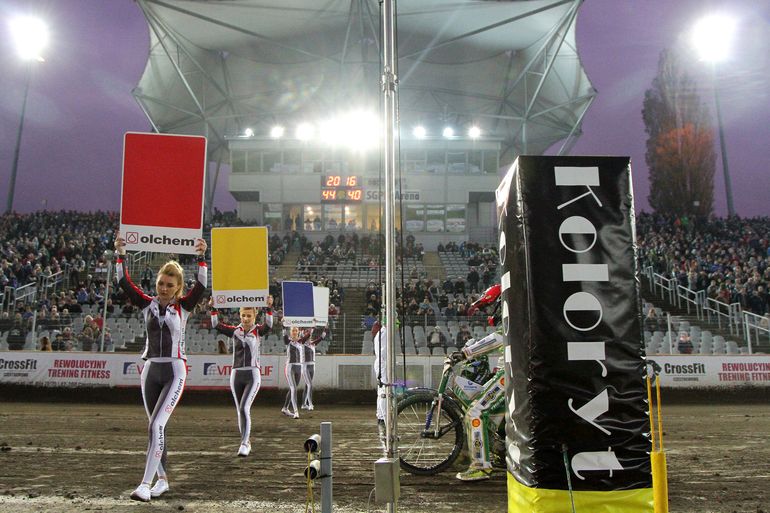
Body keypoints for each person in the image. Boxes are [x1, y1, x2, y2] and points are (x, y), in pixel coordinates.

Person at [114, 234, 208, 502]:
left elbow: (201, 285)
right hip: (150, 371)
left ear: (178, 287)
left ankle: (145, 484)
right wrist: (120, 253)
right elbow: (124, 282)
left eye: (169, 285)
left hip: (175, 371)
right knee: (157, 428)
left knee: (155, 426)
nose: (163, 288)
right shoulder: (148, 305)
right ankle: (163, 480)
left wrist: (202, 257)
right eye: (160, 283)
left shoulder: (184, 307)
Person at [449, 283, 505, 481]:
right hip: (506, 374)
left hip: (509, 377)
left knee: (476, 412)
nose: (487, 312)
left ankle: (481, 465)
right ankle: (498, 452)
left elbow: (498, 339)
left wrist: (465, 353)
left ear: (500, 303)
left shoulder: (509, 320)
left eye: (489, 307)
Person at [211, 296, 274, 457]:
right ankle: (245, 440)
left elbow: (269, 325)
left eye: (249, 316)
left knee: (244, 407)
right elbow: (215, 325)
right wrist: (212, 308)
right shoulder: (235, 331)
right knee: (240, 410)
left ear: (254, 316)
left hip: (252, 373)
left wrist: (269, 308)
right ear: (240, 315)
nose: (246, 319)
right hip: (236, 373)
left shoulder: (258, 331)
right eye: (243, 316)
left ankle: (245, 443)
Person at [282, 325, 311, 419]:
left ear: (298, 332)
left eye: (296, 330)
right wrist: (283, 324)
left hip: (299, 367)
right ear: (291, 332)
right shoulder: (288, 341)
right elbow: (284, 334)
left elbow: (308, 335)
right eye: (293, 330)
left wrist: (312, 324)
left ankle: (285, 408)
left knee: (292, 389)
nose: (294, 332)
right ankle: (296, 412)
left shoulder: (300, 341)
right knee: (294, 389)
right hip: (290, 367)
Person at [301, 326, 327, 411]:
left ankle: (304, 404)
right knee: (310, 385)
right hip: (305, 366)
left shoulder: (312, 344)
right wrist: (312, 327)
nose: (308, 334)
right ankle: (310, 404)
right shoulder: (302, 342)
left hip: (312, 366)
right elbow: (307, 336)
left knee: (307, 385)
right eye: (306, 332)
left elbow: (322, 337)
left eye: (308, 332)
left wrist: (325, 328)